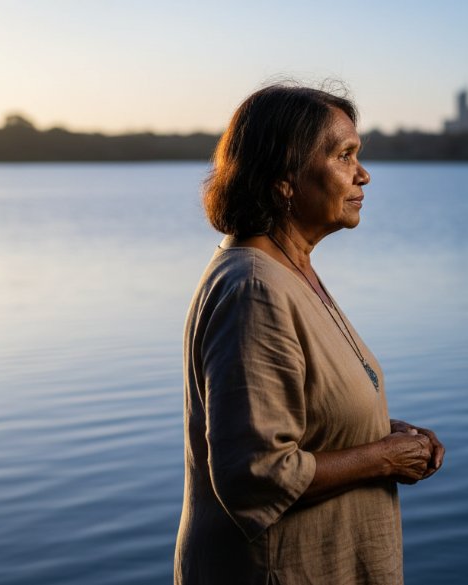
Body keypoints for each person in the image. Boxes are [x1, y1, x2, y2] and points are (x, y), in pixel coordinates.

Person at [174, 84, 444, 585]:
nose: (363, 174)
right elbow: (256, 474)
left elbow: (308, 411)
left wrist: (386, 432)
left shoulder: (290, 270)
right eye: (344, 156)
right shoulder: (254, 289)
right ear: (284, 179)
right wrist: (382, 458)